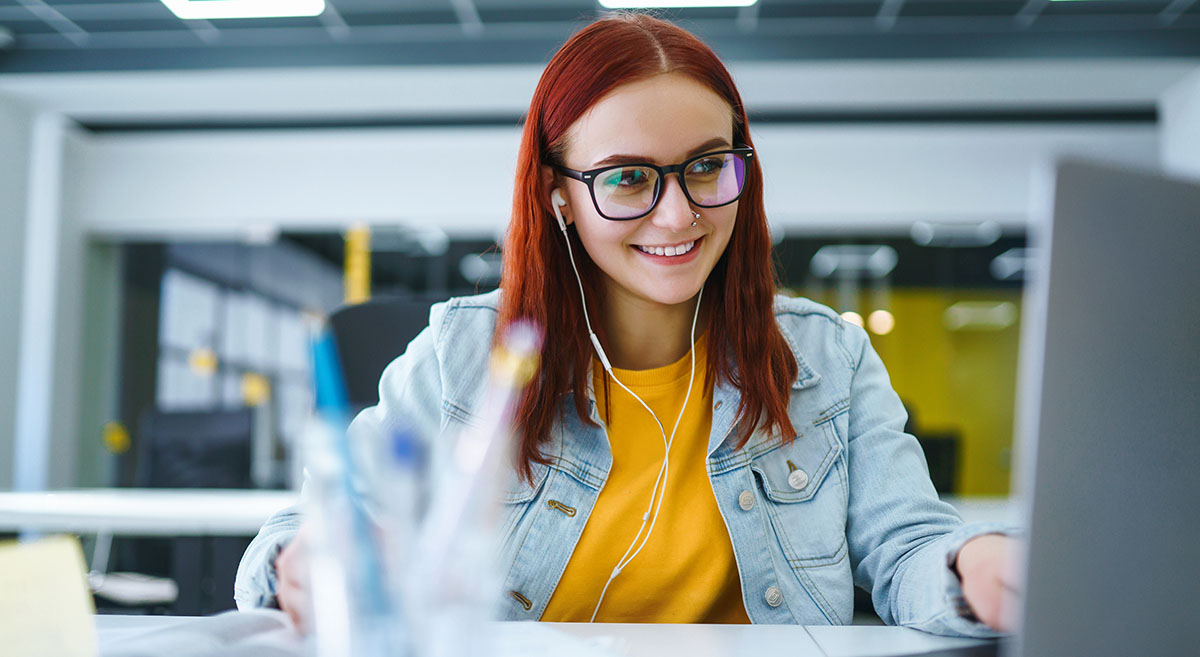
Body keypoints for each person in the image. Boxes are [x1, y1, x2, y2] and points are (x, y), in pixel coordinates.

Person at [235, 12, 1018, 636]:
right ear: (558, 194)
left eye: (708, 166)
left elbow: (909, 546)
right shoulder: (462, 355)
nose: (678, 213)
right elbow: (297, 535)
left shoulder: (827, 356)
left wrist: (971, 561)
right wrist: (307, 561)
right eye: (629, 178)